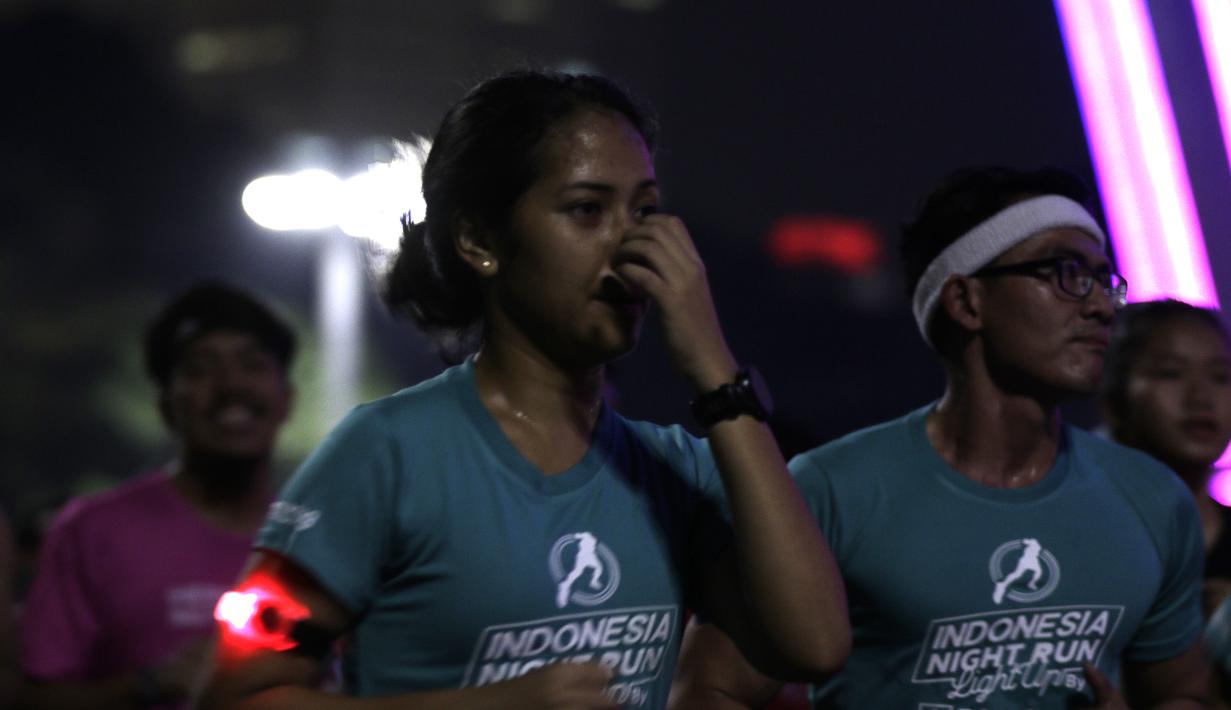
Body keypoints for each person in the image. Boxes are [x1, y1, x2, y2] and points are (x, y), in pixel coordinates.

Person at [194, 69, 849, 710]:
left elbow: (815, 647)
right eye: (586, 210)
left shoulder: (675, 471)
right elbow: (236, 695)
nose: (632, 246)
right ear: (480, 239)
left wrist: (714, 372)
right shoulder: (385, 453)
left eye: (644, 210)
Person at [669, 166, 1208, 708]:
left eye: (1102, 279)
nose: (1098, 305)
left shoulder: (1153, 499)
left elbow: (1185, 695)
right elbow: (709, 689)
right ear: (966, 301)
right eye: (1066, 273)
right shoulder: (833, 490)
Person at [19, 281, 296, 709]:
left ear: (286, 400)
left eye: (253, 364)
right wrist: (150, 686)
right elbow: (31, 699)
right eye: (201, 368)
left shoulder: (316, 542)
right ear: (166, 406)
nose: (230, 386)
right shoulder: (91, 531)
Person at [1101, 300, 1231, 613]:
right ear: (1115, 400)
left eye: (1220, 377)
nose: (1201, 398)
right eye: (1171, 374)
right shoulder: (1087, 540)